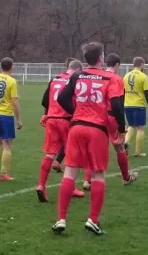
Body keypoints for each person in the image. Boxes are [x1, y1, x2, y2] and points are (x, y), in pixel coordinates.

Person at [52, 42, 125, 236]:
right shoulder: (112, 78)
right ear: (101, 57)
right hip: (97, 129)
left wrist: (75, 111)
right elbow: (117, 106)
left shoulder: (77, 75)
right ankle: (93, 220)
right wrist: (122, 130)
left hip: (76, 127)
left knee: (70, 172)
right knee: (98, 175)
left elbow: (61, 98)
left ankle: (61, 219)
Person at [82, 53, 139, 190]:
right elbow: (118, 104)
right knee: (119, 147)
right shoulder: (116, 79)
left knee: (93, 149)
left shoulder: (98, 76)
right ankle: (126, 177)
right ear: (117, 65)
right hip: (112, 117)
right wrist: (121, 125)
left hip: (97, 116)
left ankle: (87, 180)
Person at [37, 59, 85, 202]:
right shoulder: (75, 80)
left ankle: (41, 185)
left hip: (52, 118)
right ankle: (70, 188)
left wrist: (48, 112)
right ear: (77, 70)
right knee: (73, 154)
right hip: (66, 119)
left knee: (50, 154)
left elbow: (45, 100)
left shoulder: (55, 78)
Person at [0, 57, 23, 181]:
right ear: (11, 67)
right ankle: (3, 173)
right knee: (7, 144)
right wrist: (19, 119)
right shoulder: (12, 81)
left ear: (1, 67)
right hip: (5, 115)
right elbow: (15, 100)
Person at [123, 57, 148, 157]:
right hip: (139, 105)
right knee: (140, 128)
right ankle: (138, 152)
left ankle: (126, 141)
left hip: (127, 105)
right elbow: (147, 94)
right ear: (142, 64)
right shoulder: (143, 76)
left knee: (131, 125)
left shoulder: (126, 76)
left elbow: (122, 92)